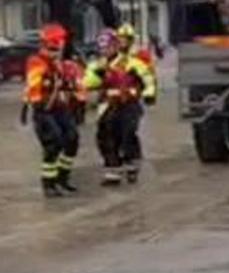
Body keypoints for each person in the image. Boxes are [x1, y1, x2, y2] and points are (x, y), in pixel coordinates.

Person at [84, 28, 157, 185]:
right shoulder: (97, 65)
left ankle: (132, 166)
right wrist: (98, 75)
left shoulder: (131, 63)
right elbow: (88, 83)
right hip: (108, 105)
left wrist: (149, 93)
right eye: (102, 48)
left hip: (129, 104)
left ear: (116, 46)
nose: (106, 51)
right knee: (105, 137)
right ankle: (112, 171)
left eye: (108, 47)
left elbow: (147, 78)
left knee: (128, 134)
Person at [21, 23, 82, 197]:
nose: (57, 51)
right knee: (53, 142)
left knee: (72, 138)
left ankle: (63, 177)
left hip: (60, 107)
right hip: (44, 109)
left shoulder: (62, 64)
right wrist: (39, 101)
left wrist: (74, 90)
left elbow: (72, 84)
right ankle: (49, 183)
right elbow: (34, 86)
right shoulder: (37, 62)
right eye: (54, 47)